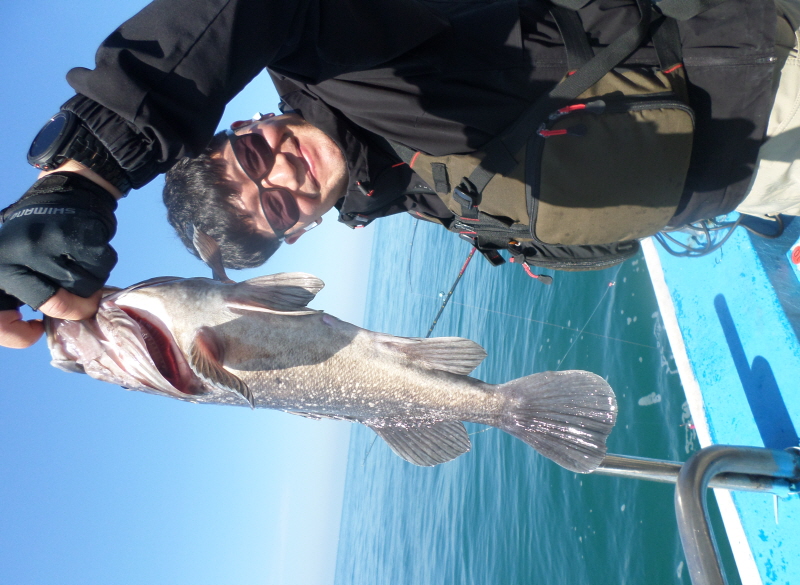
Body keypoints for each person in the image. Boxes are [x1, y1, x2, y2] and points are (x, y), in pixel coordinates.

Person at [0, 0, 790, 350]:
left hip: (763, 70)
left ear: (248, 122)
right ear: (300, 228)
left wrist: (89, 169)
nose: (284, 172)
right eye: (277, 207)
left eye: (251, 156)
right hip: (741, 177)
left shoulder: (358, 69)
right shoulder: (390, 192)